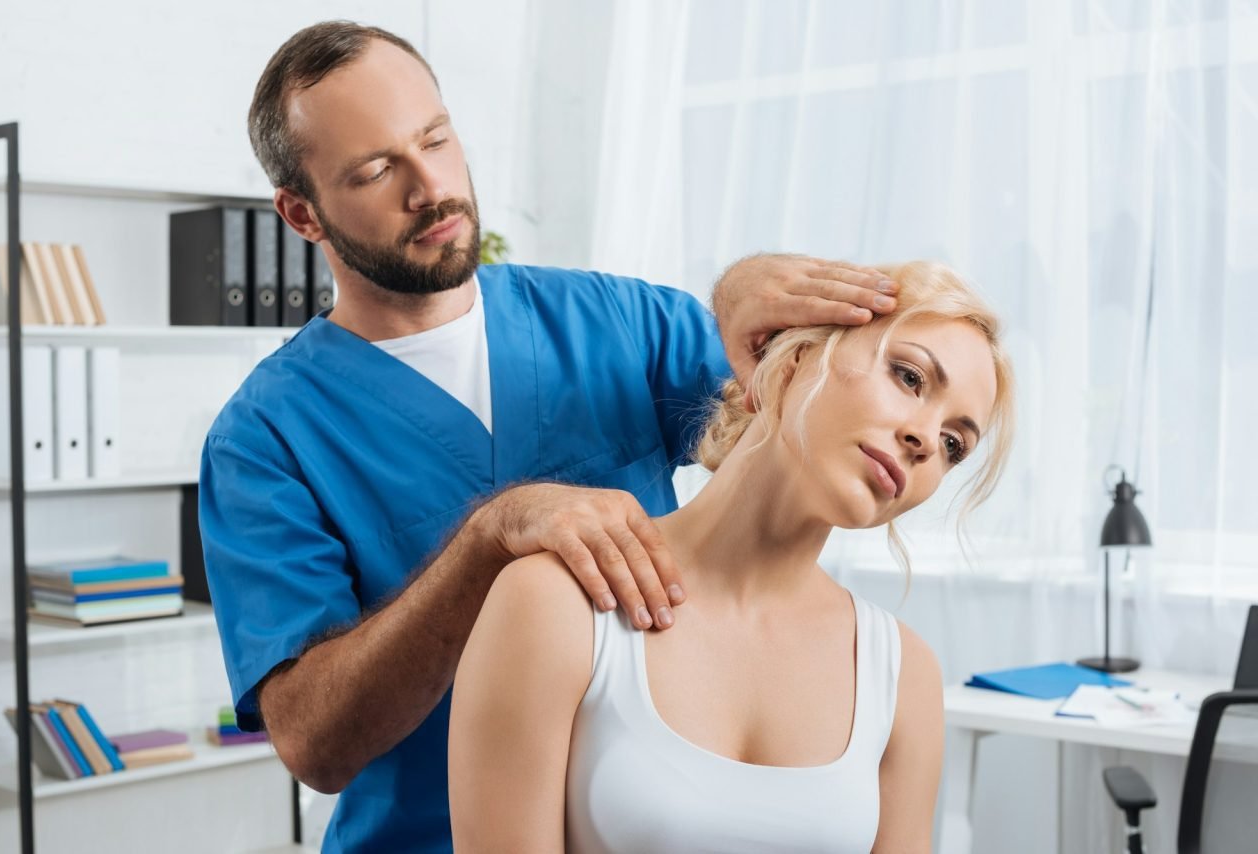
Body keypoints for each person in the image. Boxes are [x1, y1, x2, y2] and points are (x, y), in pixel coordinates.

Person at [199, 20, 900, 854]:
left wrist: (745, 294)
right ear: (301, 214)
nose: (430, 187)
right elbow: (316, 745)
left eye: (436, 139)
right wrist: (490, 537)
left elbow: (798, 400)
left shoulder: (615, 324)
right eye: (378, 169)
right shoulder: (266, 437)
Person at [449, 261, 1017, 853]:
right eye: (908, 377)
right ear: (795, 361)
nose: (926, 440)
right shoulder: (555, 604)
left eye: (955, 444)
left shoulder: (902, 674)